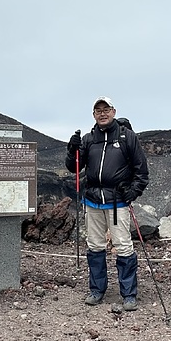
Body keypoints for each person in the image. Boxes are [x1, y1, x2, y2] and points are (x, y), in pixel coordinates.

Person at [65, 96, 149, 311]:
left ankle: (129, 294)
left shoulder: (127, 137)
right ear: (93, 114)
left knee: (123, 247)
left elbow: (141, 170)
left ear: (113, 111)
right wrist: (72, 150)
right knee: (95, 246)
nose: (102, 113)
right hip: (93, 201)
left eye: (106, 109)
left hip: (117, 202)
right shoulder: (88, 139)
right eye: (98, 110)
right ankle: (97, 290)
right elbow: (74, 169)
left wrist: (131, 193)